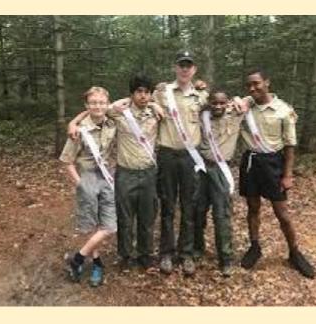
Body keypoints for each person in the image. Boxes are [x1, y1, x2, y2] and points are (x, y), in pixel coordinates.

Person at [68, 74, 161, 272]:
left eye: (147, 92)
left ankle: (145, 254)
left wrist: (156, 106)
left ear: (151, 95)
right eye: (139, 92)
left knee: (147, 216)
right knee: (125, 217)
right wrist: (73, 123)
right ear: (132, 94)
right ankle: (125, 255)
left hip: (148, 173)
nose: (143, 96)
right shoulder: (118, 113)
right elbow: (95, 110)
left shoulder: (157, 113)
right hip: (125, 173)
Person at [237, 67, 315, 278]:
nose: (253, 88)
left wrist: (287, 175)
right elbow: (221, 105)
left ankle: (294, 252)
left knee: (282, 213)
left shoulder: (283, 110)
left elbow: (290, 146)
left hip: (273, 163)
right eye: (249, 85)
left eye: (257, 83)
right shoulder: (245, 106)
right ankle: (255, 247)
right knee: (253, 208)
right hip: (251, 162)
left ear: (267, 82)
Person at [151, 51, 209, 276]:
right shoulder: (161, 93)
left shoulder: (202, 96)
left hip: (189, 157)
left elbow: (222, 107)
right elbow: (134, 102)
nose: (185, 69)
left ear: (194, 69)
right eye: (181, 65)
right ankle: (166, 252)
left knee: (189, 206)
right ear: (175, 67)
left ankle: (186, 253)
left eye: (189, 66)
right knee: (167, 204)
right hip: (166, 155)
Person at [60, 86, 117, 287]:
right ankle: (97, 264)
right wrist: (80, 184)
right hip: (88, 179)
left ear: (107, 104)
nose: (97, 106)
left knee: (109, 226)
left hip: (108, 178)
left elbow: (131, 101)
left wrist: (74, 119)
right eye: (93, 103)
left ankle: (77, 259)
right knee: (92, 225)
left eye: (101, 102)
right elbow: (67, 161)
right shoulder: (79, 131)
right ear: (87, 105)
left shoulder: (112, 122)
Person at [193, 90, 244, 277]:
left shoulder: (236, 115)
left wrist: (238, 98)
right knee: (197, 211)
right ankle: (197, 248)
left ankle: (226, 258)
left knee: (222, 216)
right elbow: (191, 104)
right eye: (214, 103)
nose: (218, 106)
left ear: (227, 103)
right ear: (209, 103)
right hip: (202, 169)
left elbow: (253, 99)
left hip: (221, 171)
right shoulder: (202, 116)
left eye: (222, 103)